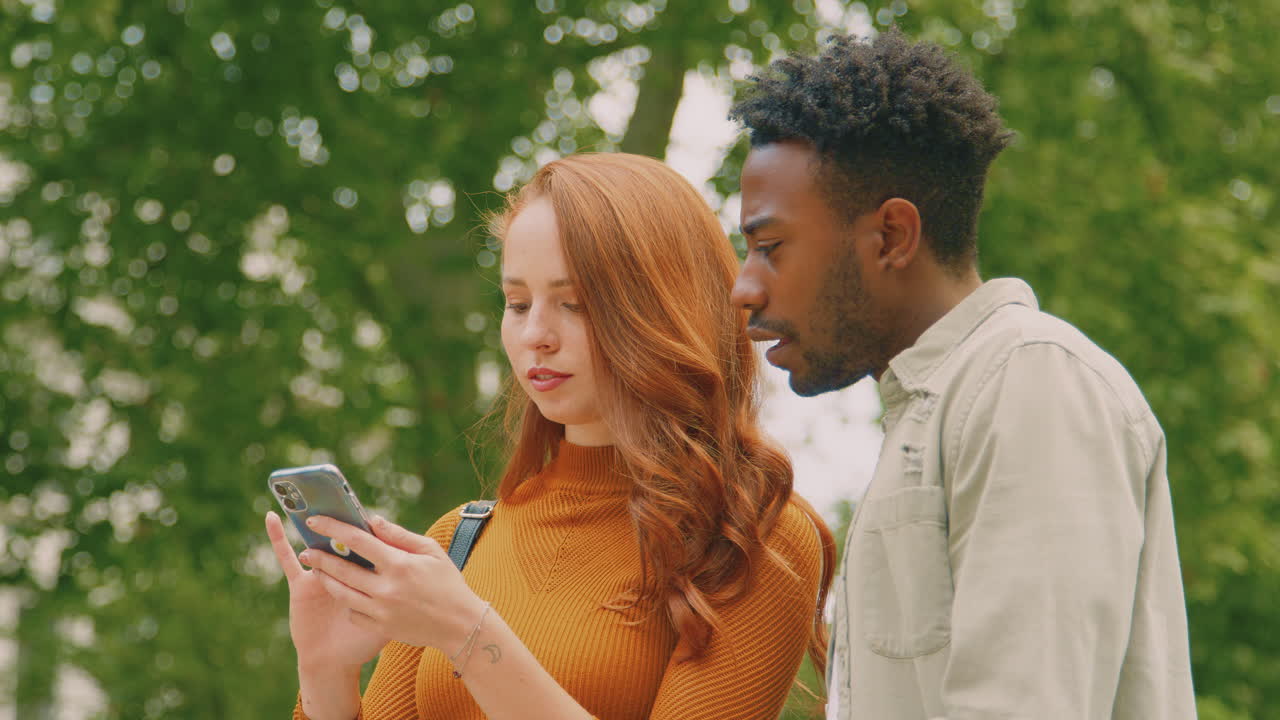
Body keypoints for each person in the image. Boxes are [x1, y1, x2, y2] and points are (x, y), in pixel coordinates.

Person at [265, 152, 836, 720]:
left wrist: (468, 633)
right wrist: (325, 675)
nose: (535, 334)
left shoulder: (752, 538)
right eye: (517, 303)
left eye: (574, 304)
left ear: (665, 310)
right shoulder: (459, 542)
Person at [727, 28, 1196, 720]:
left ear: (891, 236)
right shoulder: (935, 411)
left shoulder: (1030, 383)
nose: (744, 288)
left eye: (769, 248)